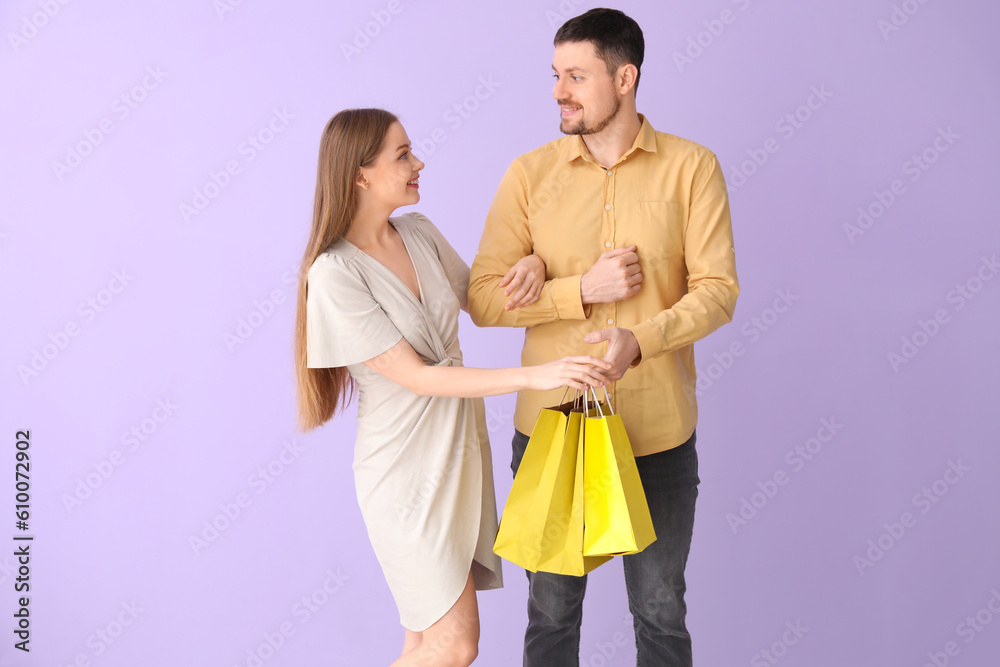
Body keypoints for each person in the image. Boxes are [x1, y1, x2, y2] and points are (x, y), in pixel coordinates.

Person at [467, 8, 740, 666]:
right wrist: (575, 290)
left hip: (657, 435)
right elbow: (480, 297)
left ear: (625, 77)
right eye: (555, 75)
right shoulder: (529, 175)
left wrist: (639, 340)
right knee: (552, 613)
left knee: (660, 609)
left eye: (576, 76)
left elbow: (717, 290)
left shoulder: (692, 169)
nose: (559, 90)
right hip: (552, 433)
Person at [293, 108, 611, 667]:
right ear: (361, 174)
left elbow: (486, 305)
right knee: (455, 646)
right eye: (402, 155)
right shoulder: (334, 273)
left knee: (424, 643)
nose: (419, 163)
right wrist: (536, 376)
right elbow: (417, 377)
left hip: (460, 459)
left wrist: (536, 264)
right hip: (406, 473)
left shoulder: (419, 233)